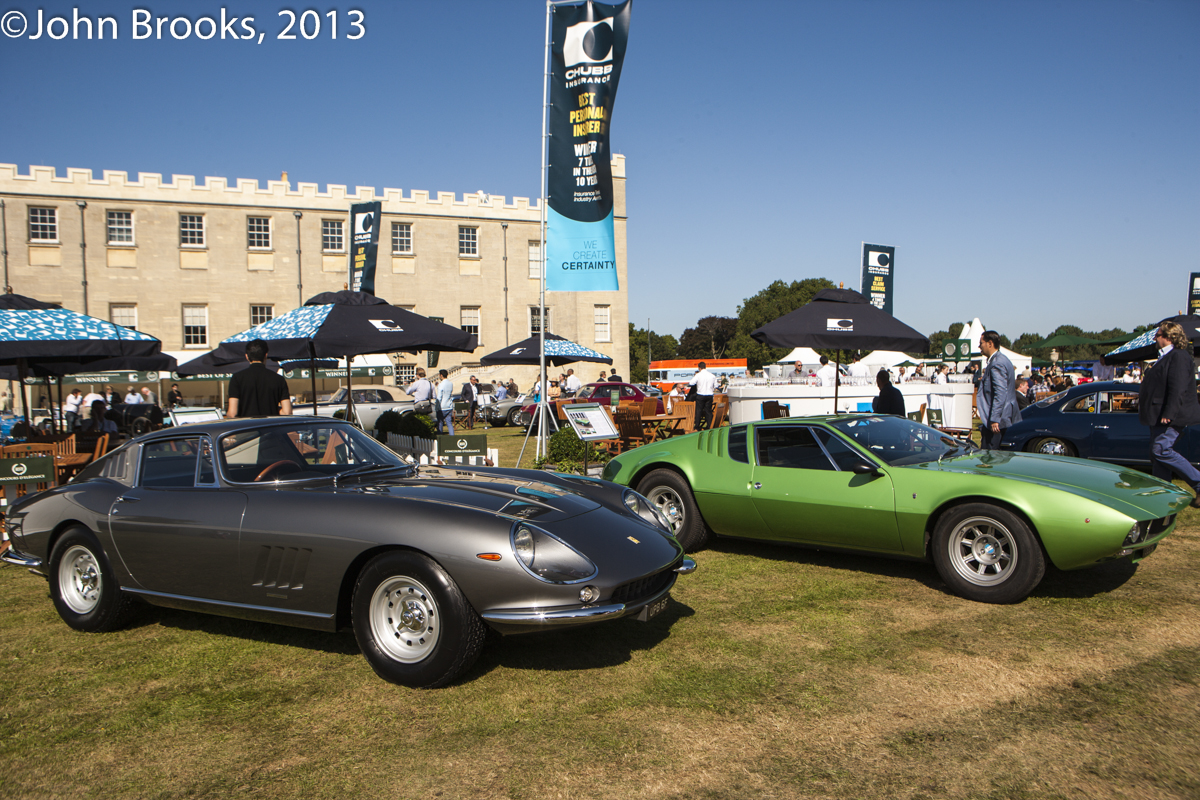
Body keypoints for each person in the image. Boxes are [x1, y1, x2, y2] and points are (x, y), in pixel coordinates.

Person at [1138, 321, 1200, 506]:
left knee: (1161, 450)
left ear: (1168, 337)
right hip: (1157, 415)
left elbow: (1178, 388)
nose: (1155, 338)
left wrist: (1169, 412)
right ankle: (1163, 495)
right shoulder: (1165, 357)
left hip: (1170, 415)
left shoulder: (1178, 356)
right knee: (1156, 456)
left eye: (1157, 335)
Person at [976, 330, 1021, 449]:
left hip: (998, 419)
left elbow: (1000, 392)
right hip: (1002, 416)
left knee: (990, 455)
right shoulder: (1002, 359)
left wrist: (995, 419)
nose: (979, 346)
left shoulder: (997, 363)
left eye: (981, 343)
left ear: (990, 343)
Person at [227, 339, 292, 418]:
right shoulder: (279, 379)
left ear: (247, 356)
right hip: (269, 426)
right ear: (266, 355)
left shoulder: (237, 378)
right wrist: (274, 411)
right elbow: (287, 412)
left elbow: (232, 413)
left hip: (247, 428)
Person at [688, 361, 718, 430]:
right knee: (708, 411)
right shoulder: (712, 375)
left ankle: (697, 426)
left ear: (699, 368)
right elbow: (716, 385)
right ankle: (709, 426)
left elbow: (691, 383)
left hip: (700, 394)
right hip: (709, 395)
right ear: (705, 367)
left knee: (699, 410)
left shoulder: (698, 375)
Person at [435, 368, 454, 435]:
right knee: (449, 423)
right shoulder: (450, 383)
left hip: (442, 406)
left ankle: (440, 436)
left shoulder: (441, 384)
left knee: (440, 422)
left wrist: (437, 406)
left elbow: (439, 397)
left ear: (441, 375)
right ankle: (452, 436)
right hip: (449, 405)